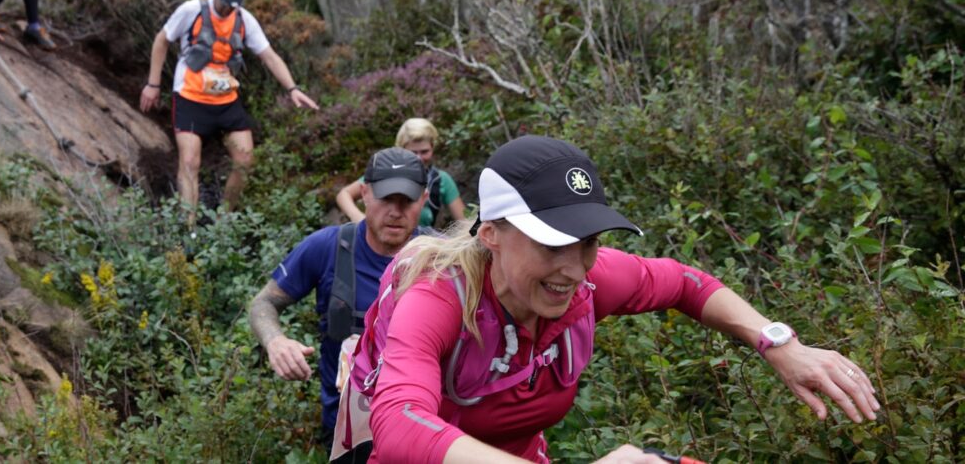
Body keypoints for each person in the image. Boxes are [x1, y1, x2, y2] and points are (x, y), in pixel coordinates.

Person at [333, 136, 880, 463]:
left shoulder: (587, 285)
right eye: (552, 242)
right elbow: (402, 425)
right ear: (491, 233)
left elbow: (683, 282)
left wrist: (776, 340)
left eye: (588, 242)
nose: (573, 269)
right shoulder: (439, 297)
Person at [249, 148, 429, 449]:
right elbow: (263, 303)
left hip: (422, 430)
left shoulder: (442, 257)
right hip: (345, 433)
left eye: (407, 200)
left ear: (423, 200)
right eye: (386, 198)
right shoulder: (326, 247)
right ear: (365, 194)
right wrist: (276, 342)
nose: (395, 211)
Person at [139, 0, 319, 224]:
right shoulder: (191, 11)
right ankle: (187, 228)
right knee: (190, 161)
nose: (229, 8)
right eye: (225, 1)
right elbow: (161, 40)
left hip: (225, 99)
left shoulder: (244, 19)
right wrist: (153, 84)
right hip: (190, 96)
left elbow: (269, 55)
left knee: (245, 158)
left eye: (235, 2)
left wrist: (293, 89)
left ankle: (223, 220)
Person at [336, 118, 466, 230]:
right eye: (413, 152)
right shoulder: (385, 174)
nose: (419, 158)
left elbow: (464, 223)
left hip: (419, 248)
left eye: (424, 151)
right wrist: (358, 218)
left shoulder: (441, 180)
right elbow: (344, 194)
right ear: (401, 149)